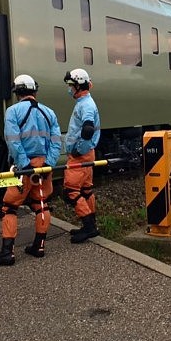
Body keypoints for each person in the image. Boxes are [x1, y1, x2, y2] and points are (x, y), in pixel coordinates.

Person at [0, 75, 61, 266]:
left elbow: (13, 140)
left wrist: (25, 165)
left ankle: (7, 252)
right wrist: (47, 164)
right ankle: (39, 246)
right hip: (44, 166)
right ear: (35, 90)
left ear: (17, 92)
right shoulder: (49, 112)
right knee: (42, 204)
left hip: (23, 168)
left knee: (8, 207)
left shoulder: (12, 111)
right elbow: (57, 141)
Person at [63, 69, 101, 243]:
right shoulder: (86, 102)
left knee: (71, 191)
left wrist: (79, 149)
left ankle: (88, 227)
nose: (69, 89)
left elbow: (87, 129)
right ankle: (91, 225)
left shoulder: (85, 105)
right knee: (86, 190)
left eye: (71, 86)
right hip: (87, 154)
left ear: (79, 86)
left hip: (81, 155)